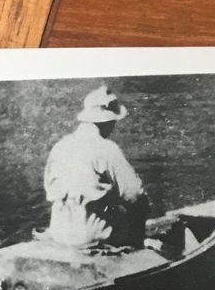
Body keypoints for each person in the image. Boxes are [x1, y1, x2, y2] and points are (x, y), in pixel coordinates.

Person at [41, 86, 149, 250]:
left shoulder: (60, 146)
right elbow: (134, 194)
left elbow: (49, 187)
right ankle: (138, 253)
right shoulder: (106, 149)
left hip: (59, 233)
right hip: (89, 237)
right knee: (138, 206)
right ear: (107, 121)